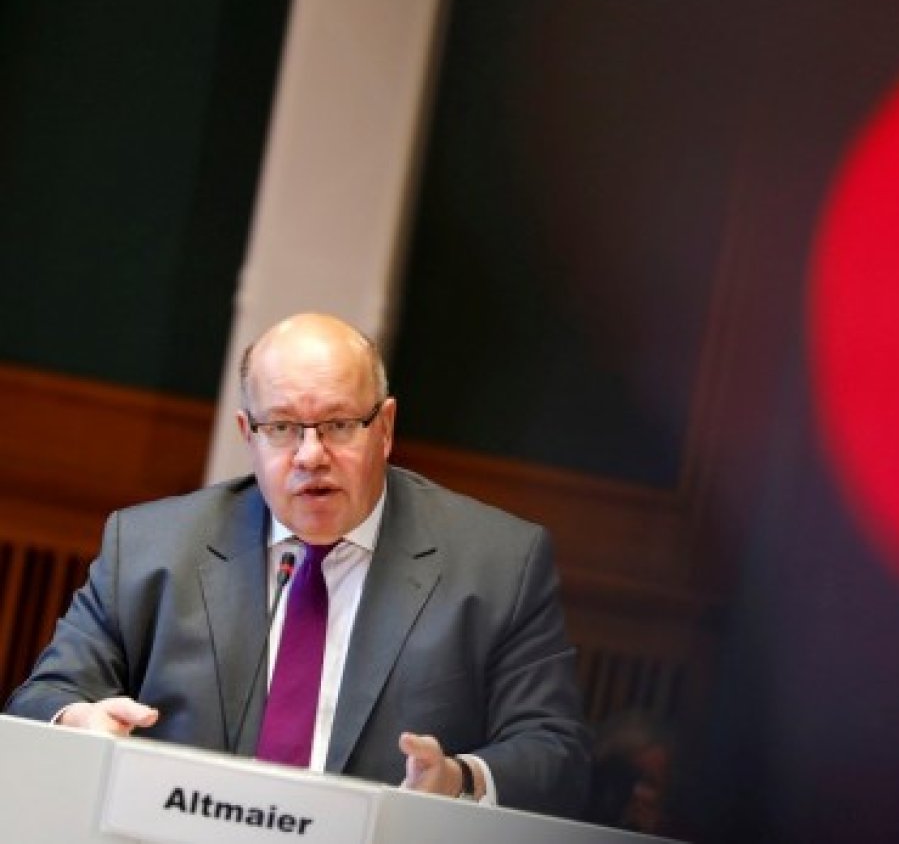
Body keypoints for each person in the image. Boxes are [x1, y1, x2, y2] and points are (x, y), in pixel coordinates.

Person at [3, 313, 590, 816]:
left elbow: (555, 753)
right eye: (282, 428)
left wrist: (460, 780)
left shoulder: (498, 564)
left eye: (339, 425)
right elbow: (44, 696)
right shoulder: (152, 547)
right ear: (248, 434)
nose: (311, 455)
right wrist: (77, 724)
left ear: (385, 428)